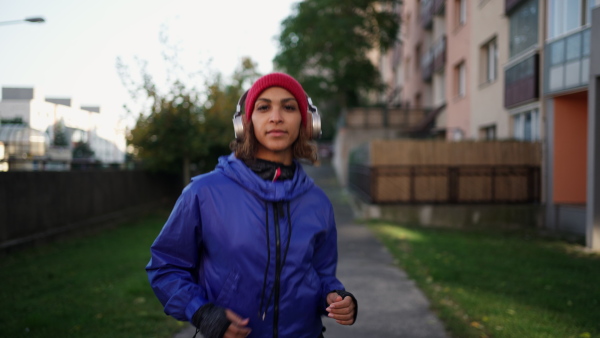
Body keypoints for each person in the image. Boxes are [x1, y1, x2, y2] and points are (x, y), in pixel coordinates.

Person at [146, 72, 357, 338]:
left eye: (289, 107)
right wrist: (201, 312)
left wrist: (337, 299)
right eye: (264, 107)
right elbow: (166, 267)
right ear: (245, 124)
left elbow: (321, 274)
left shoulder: (318, 202)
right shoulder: (203, 193)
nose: (276, 117)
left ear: (307, 123)